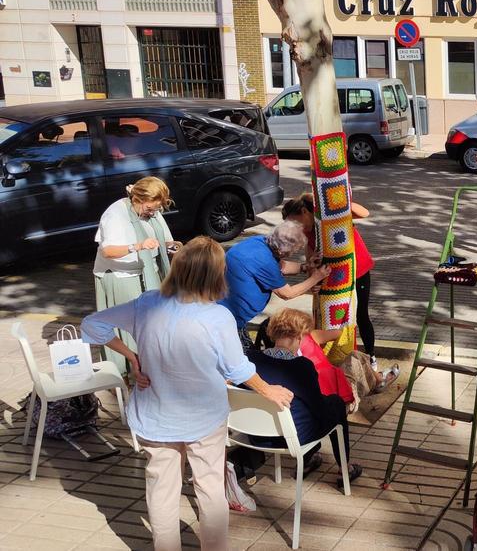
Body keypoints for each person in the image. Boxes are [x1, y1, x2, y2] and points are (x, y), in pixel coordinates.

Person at [80, 237, 293, 551]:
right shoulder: (217, 316)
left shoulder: (146, 303)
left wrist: (133, 356)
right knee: (210, 489)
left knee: (162, 491)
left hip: (155, 416)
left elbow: (92, 325)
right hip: (203, 418)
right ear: (216, 275)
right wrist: (268, 390)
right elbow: (237, 369)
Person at [228, 310, 363, 488]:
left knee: (304, 409)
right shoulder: (301, 367)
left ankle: (311, 458)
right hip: (293, 438)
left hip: (256, 436)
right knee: (335, 404)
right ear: (298, 336)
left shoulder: (249, 360)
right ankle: (344, 467)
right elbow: (319, 410)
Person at [93, 176, 179, 375]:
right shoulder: (115, 214)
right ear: (138, 199)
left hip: (148, 273)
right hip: (120, 276)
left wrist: (177, 249)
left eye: (157, 209)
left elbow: (166, 240)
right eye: (150, 209)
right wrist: (138, 246)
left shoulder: (152, 211)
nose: (153, 213)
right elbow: (108, 251)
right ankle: (129, 372)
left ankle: (149, 368)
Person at [281, 193, 378, 367]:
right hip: (333, 279)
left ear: (304, 211)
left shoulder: (327, 216)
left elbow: (364, 213)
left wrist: (325, 201)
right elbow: (311, 261)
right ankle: (335, 358)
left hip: (358, 270)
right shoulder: (307, 231)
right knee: (330, 318)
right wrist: (314, 281)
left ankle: (371, 357)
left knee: (361, 315)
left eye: (295, 222)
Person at [219, 220, 329, 350]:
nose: (294, 253)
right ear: (283, 251)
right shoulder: (265, 261)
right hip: (229, 320)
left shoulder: (260, 242)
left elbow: (282, 267)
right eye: (294, 250)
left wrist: (306, 266)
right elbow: (287, 293)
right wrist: (316, 277)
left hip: (227, 313)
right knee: (246, 358)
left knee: (251, 353)